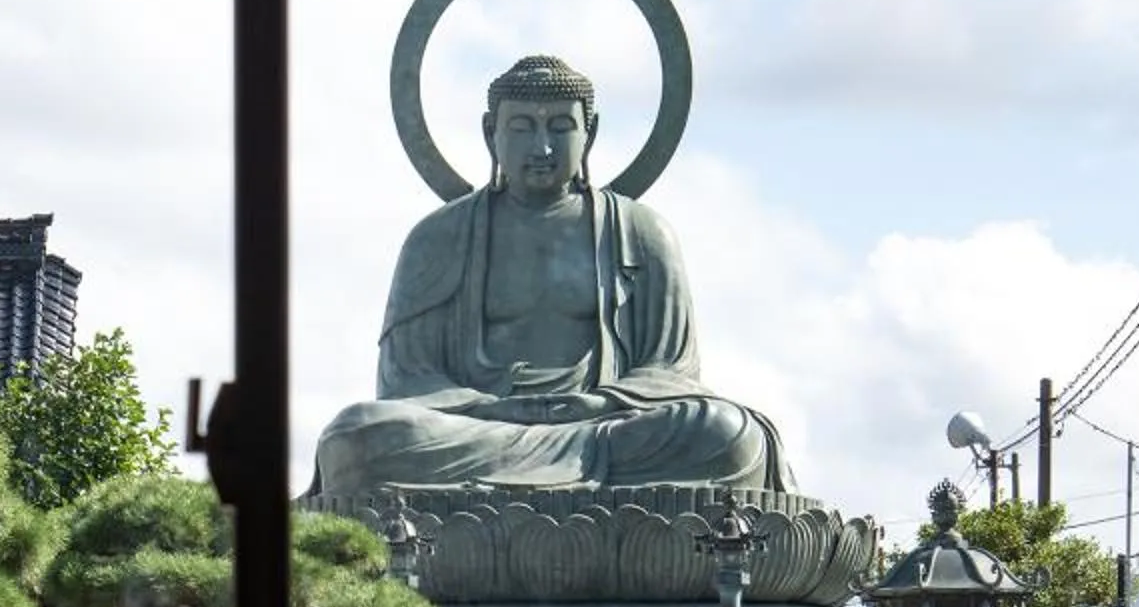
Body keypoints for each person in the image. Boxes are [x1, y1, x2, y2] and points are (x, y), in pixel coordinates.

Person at [312, 54, 785, 495]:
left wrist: (602, 403)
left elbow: (672, 373)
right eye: (521, 126)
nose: (541, 146)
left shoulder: (643, 232)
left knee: (727, 434)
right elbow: (405, 379)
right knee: (355, 437)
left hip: (602, 431)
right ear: (489, 132)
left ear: (590, 132)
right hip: (478, 428)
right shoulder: (437, 238)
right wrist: (483, 407)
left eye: (560, 126)